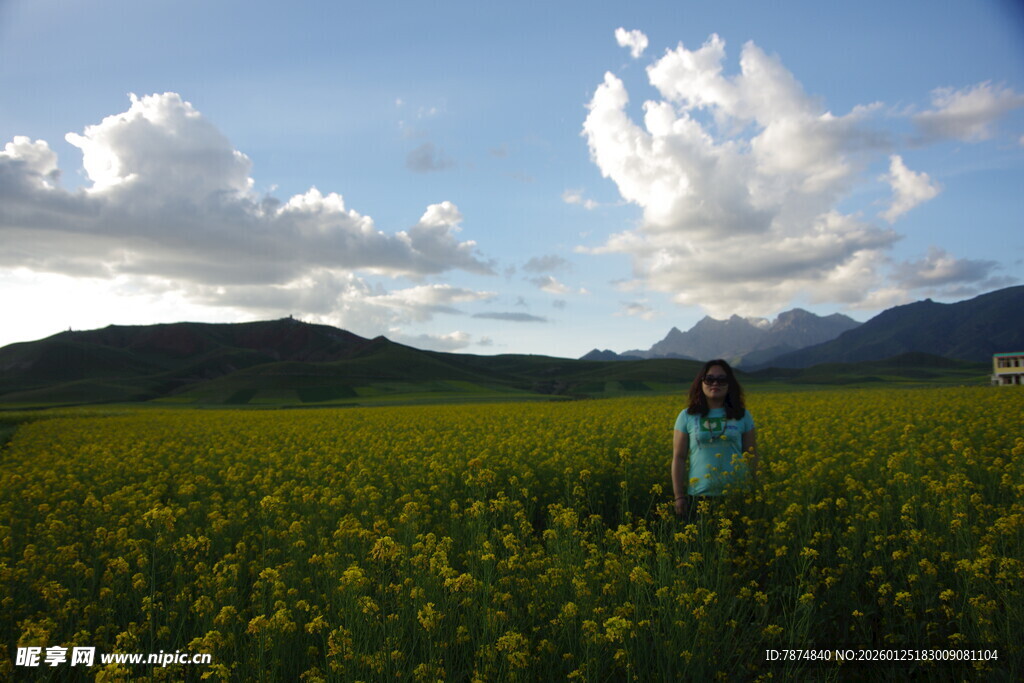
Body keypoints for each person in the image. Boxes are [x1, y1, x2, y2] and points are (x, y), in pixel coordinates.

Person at [672, 359, 757, 521]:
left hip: (738, 493)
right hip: (700, 495)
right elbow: (679, 458)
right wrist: (679, 496)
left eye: (722, 379)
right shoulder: (687, 416)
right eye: (709, 379)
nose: (715, 383)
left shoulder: (743, 415)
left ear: (729, 384)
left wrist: (755, 490)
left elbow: (751, 455)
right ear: (701, 382)